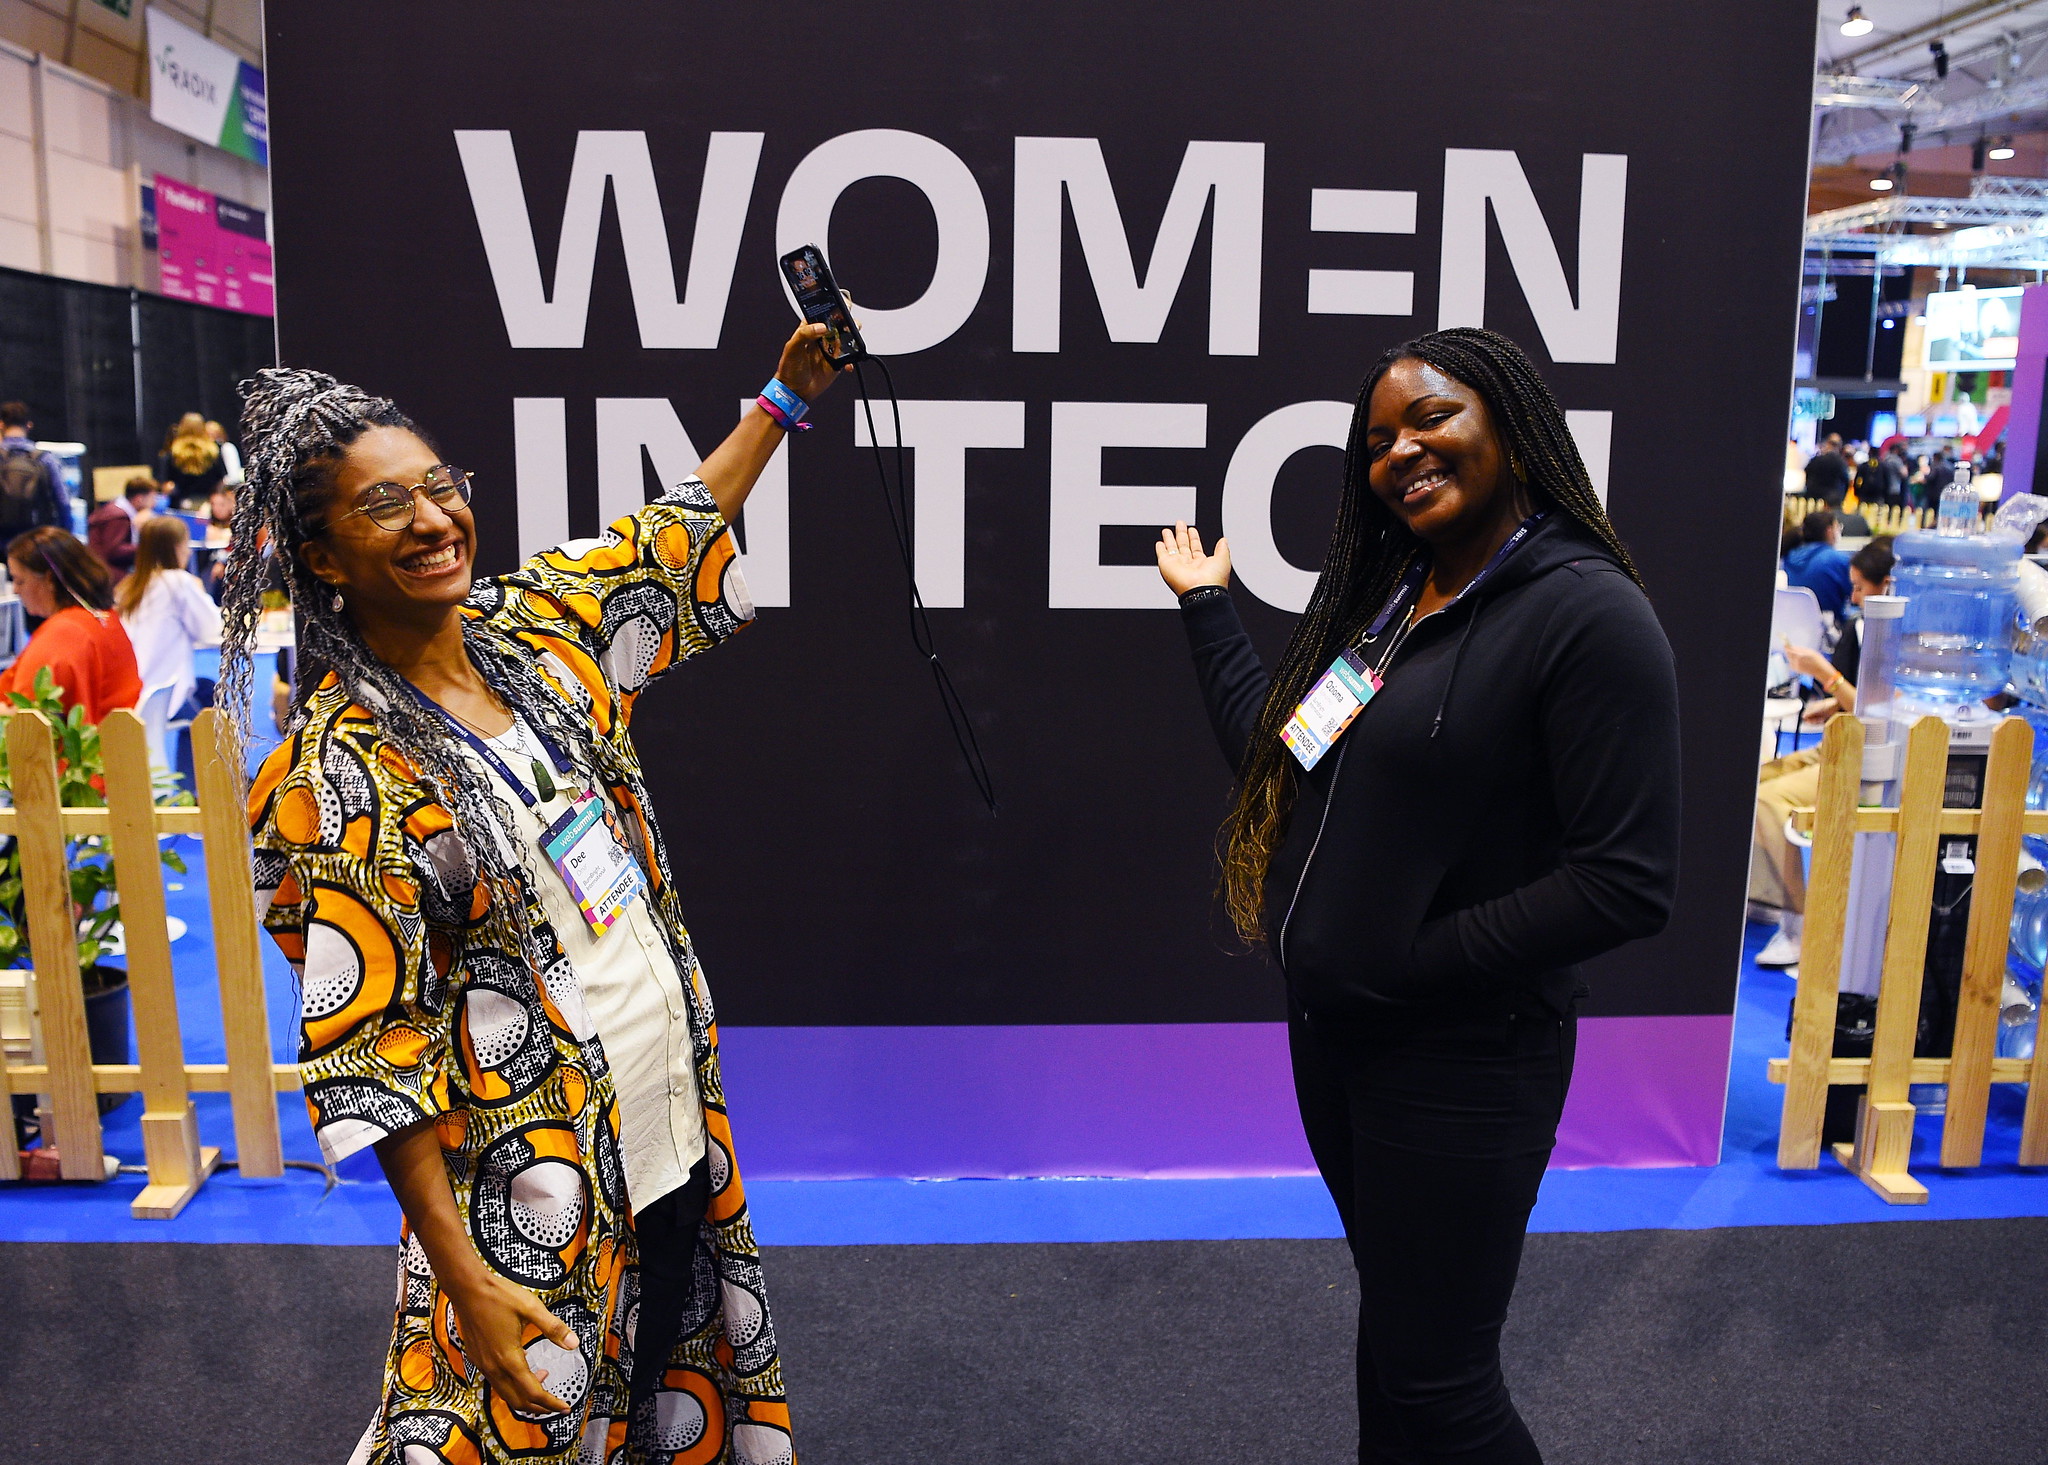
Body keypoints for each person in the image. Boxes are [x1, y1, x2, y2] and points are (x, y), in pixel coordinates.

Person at [221, 323, 843, 1464]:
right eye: (382, 507)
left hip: (665, 1129)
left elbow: (665, 537)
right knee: (502, 1436)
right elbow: (374, 1049)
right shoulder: (338, 772)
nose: (430, 521)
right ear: (320, 559)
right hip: (526, 1190)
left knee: (653, 1400)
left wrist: (781, 398)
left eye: (437, 488)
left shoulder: (530, 634)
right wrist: (462, 1281)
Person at [1156, 327, 1679, 1464]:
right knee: (1396, 1356)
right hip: (1347, 1050)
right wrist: (1207, 608)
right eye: (1379, 438)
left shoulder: (1588, 616)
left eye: (1430, 417)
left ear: (1512, 427)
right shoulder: (1400, 609)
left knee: (1441, 1389)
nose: (1400, 449)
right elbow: (1278, 754)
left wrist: (1397, 963)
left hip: (1464, 1063)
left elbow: (1623, 883)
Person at [1753, 540, 1896, 967]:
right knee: (1755, 779)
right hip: (1840, 743)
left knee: (1771, 799)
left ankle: (1803, 925)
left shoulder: (1903, 640)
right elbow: (1868, 699)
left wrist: (1827, 678)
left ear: (1887, 586)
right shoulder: (1862, 629)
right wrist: (1835, 703)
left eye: (1859, 588)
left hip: (1868, 763)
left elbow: (1886, 715)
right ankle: (1771, 900)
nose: (1852, 597)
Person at [0, 526, 141, 720]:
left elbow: (27, 720)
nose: (15, 590)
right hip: (122, 741)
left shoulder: (63, 634)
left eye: (19, 580)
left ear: (49, 579)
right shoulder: (104, 618)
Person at [117, 513, 220, 716]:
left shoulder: (127, 587)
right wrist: (200, 591)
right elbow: (210, 629)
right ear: (175, 548)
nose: (189, 553)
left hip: (132, 691)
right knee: (211, 696)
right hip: (164, 693)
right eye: (185, 545)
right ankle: (201, 749)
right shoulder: (177, 582)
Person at [0, 400, 67, 554]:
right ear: (29, 425)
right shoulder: (45, 459)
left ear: (1, 424)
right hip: (37, 544)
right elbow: (63, 503)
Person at [87, 473, 157, 581]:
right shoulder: (119, 517)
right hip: (109, 576)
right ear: (139, 499)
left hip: (100, 572)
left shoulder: (113, 509)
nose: (154, 503)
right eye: (152, 498)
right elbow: (114, 551)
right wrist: (147, 548)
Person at [1783, 509, 1853, 616]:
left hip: (1796, 624)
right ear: (1829, 531)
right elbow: (1855, 595)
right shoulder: (1837, 560)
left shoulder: (1789, 556)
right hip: (1831, 626)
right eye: (1838, 527)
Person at [158, 413, 225, 511]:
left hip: (180, 506)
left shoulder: (171, 453)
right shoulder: (214, 451)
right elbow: (221, 480)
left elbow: (166, 485)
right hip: (207, 505)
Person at [1804, 432, 1851, 506]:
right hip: (1832, 500)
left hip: (1813, 498)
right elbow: (1846, 481)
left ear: (1827, 443)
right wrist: (1842, 497)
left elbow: (1807, 472)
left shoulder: (1816, 459)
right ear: (1839, 446)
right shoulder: (1841, 462)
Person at [203, 419, 244, 487]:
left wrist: (221, 483)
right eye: (208, 435)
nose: (211, 439)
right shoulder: (206, 452)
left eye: (213, 435)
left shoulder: (227, 448)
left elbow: (234, 476)